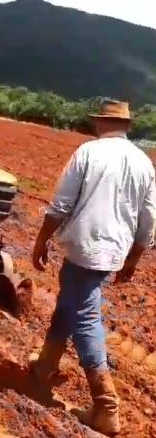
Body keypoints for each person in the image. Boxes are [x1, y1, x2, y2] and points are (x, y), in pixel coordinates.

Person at [30, 99, 156, 436]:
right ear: (127, 126)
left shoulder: (88, 152)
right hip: (114, 250)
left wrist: (41, 240)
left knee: (84, 316)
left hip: (84, 246)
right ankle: (45, 366)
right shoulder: (144, 163)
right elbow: (148, 222)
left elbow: (61, 204)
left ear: (100, 123)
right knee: (70, 304)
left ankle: (106, 406)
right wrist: (133, 259)